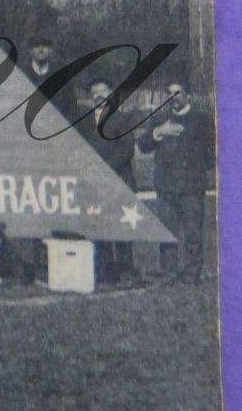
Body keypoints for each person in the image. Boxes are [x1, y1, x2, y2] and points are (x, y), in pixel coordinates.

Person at [137, 76, 215, 283]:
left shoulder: (201, 120)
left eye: (178, 92)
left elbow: (212, 153)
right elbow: (144, 145)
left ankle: (191, 274)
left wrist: (196, 169)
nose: (173, 97)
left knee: (192, 233)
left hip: (191, 187)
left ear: (188, 95)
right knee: (167, 232)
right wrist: (158, 132)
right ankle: (169, 272)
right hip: (166, 186)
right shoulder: (159, 118)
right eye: (169, 93)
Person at [81, 75, 139, 285]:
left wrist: (105, 170)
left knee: (121, 228)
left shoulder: (122, 118)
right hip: (95, 182)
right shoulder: (85, 120)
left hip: (118, 179)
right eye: (94, 92)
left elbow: (126, 149)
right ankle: (105, 271)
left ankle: (126, 272)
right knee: (99, 225)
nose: (99, 95)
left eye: (103, 91)